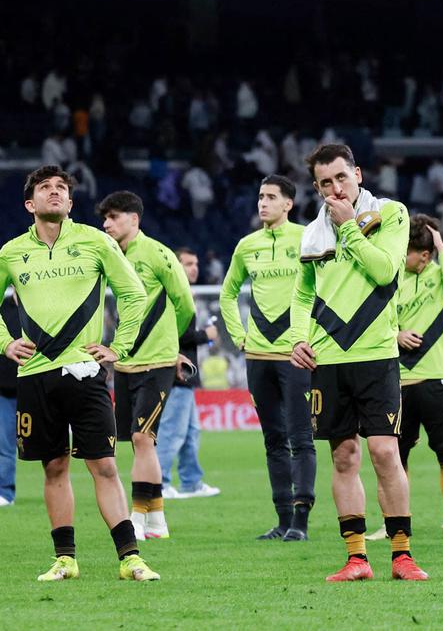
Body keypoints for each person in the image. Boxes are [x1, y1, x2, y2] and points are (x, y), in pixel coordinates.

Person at [2, 166, 159, 581]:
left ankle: (131, 558)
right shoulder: (11, 252)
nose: (54, 193)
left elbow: (134, 294)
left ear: (70, 203)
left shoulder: (96, 241)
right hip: (35, 375)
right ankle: (65, 560)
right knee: (53, 468)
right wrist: (4, 342)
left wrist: (118, 348)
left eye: (61, 189)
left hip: (84, 372)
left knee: (103, 465)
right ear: (29, 203)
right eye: (45, 188)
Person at [289, 144, 427, 582]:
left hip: (376, 353)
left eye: (341, 178)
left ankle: (402, 555)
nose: (335, 188)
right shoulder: (312, 233)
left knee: (385, 451)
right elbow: (303, 292)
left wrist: (349, 228)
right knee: (344, 456)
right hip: (328, 357)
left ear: (358, 175)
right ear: (316, 186)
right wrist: (297, 336)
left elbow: (386, 271)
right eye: (325, 182)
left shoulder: (391, 213)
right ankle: (356, 559)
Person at [219, 175, 317, 542]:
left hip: (295, 354)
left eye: (271, 197)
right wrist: (239, 336)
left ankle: (301, 522)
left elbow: (323, 290)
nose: (263, 203)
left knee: (300, 437)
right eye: (260, 196)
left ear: (288, 204)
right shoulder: (247, 246)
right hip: (257, 354)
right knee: (273, 439)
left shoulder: (307, 238)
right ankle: (282, 520)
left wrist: (309, 338)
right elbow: (228, 294)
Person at [99, 190, 197, 542]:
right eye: (105, 218)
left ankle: (138, 516)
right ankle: (157, 520)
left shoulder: (157, 253)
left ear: (133, 219)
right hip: (125, 364)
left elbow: (184, 304)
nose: (107, 224)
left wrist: (171, 345)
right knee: (141, 442)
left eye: (113, 217)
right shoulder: (110, 256)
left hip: (158, 361)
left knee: (142, 437)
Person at [369, 215, 443, 540]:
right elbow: (378, 319)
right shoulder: (392, 279)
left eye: (408, 250)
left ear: (424, 255)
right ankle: (391, 523)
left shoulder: (442, 279)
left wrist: (439, 243)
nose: (402, 255)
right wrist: (396, 335)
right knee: (395, 456)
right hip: (397, 382)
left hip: (437, 379)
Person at [155, 247, 221, 500]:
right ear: (176, 266)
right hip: (176, 373)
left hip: (187, 374)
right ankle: (158, 483)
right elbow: (173, 332)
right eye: (188, 263)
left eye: (195, 263)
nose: (194, 268)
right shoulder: (173, 294)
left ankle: (191, 481)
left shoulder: (184, 294)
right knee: (173, 431)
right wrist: (206, 335)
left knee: (191, 431)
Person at [0, 295, 18, 507]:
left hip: (33, 386)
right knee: (4, 445)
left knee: (49, 446)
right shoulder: (3, 309)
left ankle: (56, 482)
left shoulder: (37, 307)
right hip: (4, 389)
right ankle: (5, 491)